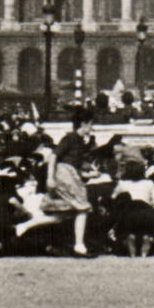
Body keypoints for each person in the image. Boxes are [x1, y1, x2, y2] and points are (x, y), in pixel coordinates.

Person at [45, 108, 96, 257]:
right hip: (64, 173)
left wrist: (89, 174)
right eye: (91, 123)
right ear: (84, 124)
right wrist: (50, 178)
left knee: (64, 212)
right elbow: (53, 156)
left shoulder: (78, 140)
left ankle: (22, 227)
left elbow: (73, 163)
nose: (92, 127)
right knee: (82, 207)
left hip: (69, 173)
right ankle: (79, 245)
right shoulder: (71, 138)